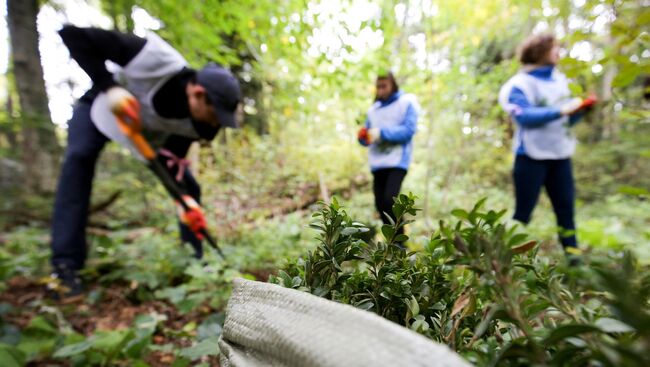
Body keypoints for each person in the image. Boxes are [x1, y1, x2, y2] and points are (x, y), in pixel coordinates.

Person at [50, 25, 242, 298]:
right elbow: (71, 35)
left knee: (189, 192)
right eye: (216, 114)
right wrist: (109, 86)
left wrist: (182, 200)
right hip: (99, 107)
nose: (216, 124)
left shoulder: (202, 124)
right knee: (78, 160)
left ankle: (196, 264)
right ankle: (65, 266)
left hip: (142, 136)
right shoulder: (154, 59)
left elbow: (170, 160)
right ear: (199, 93)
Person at [498, 33, 596, 258]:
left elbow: (567, 121)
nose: (558, 53)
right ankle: (504, 260)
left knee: (566, 211)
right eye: (554, 48)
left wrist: (581, 111)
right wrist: (561, 110)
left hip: (561, 156)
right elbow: (524, 117)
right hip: (530, 157)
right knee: (523, 213)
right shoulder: (518, 85)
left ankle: (574, 260)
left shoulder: (562, 81)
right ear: (539, 51)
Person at [358, 72, 418, 241]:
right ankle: (392, 241)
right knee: (380, 204)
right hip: (378, 163)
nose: (381, 90)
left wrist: (382, 133)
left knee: (390, 200)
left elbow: (409, 130)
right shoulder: (373, 110)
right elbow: (368, 136)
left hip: (398, 161)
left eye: (384, 86)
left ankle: (400, 243)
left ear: (393, 85)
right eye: (378, 86)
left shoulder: (406, 102)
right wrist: (363, 137)